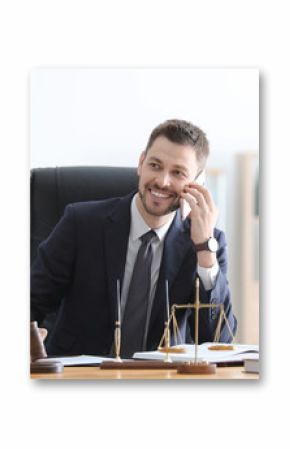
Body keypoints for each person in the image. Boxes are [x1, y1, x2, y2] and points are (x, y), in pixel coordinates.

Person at [31, 119, 237, 357]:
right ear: (141, 163)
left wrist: (204, 249)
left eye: (178, 172)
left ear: (197, 182)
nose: (162, 181)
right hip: (81, 377)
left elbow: (217, 339)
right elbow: (31, 301)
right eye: (155, 165)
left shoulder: (208, 244)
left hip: (159, 381)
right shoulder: (81, 223)